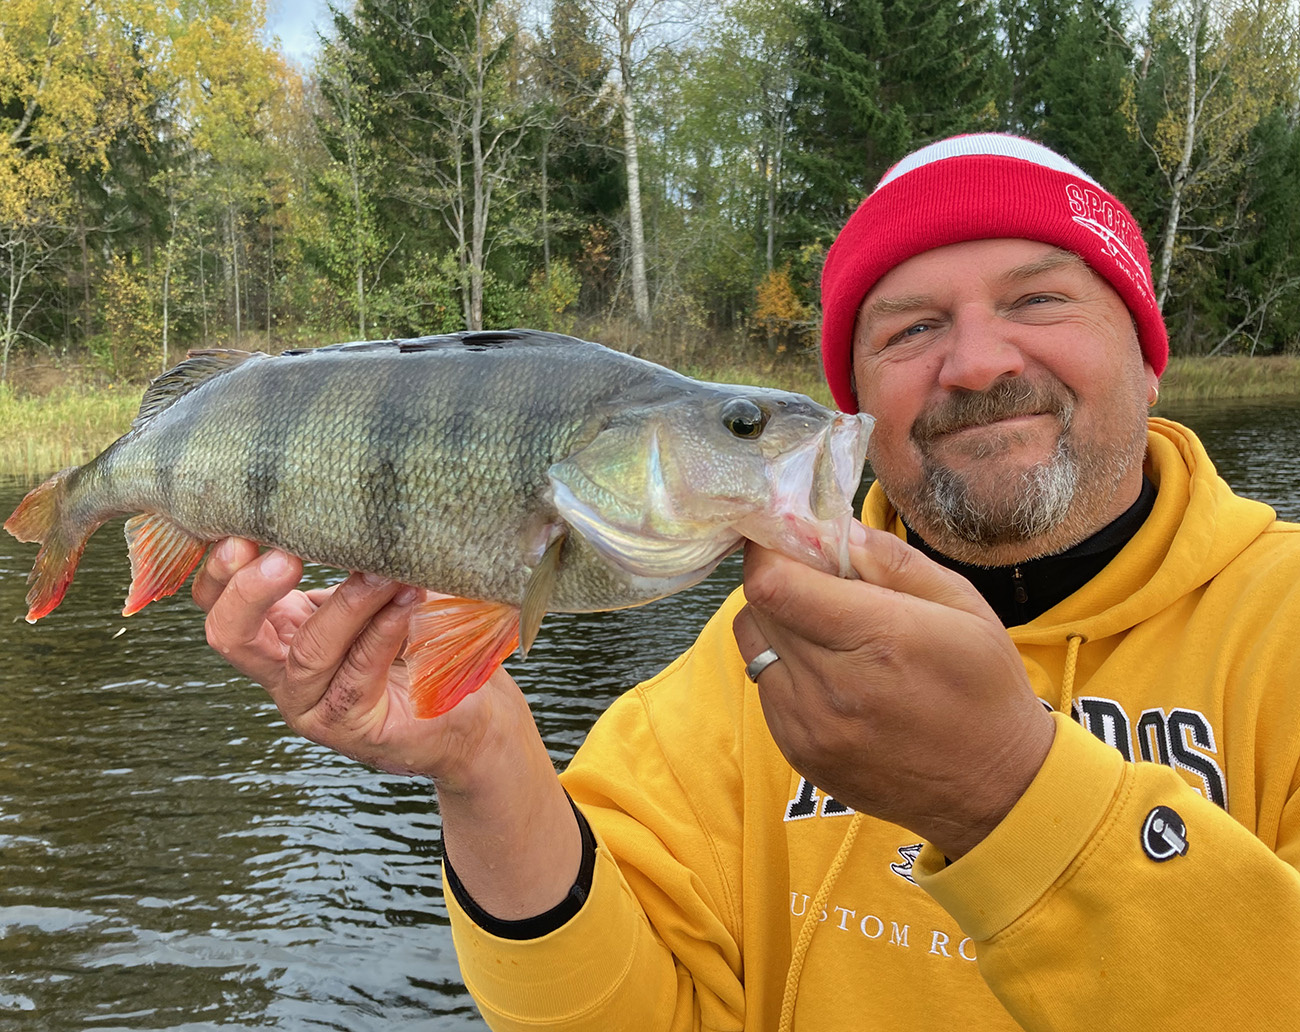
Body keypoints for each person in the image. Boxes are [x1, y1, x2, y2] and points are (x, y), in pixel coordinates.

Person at [192, 134, 1300, 1029]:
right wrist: (481, 764)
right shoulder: (731, 676)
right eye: (912, 327)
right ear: (856, 397)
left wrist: (1007, 792)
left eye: (1041, 301)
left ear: (1148, 346)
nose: (975, 362)